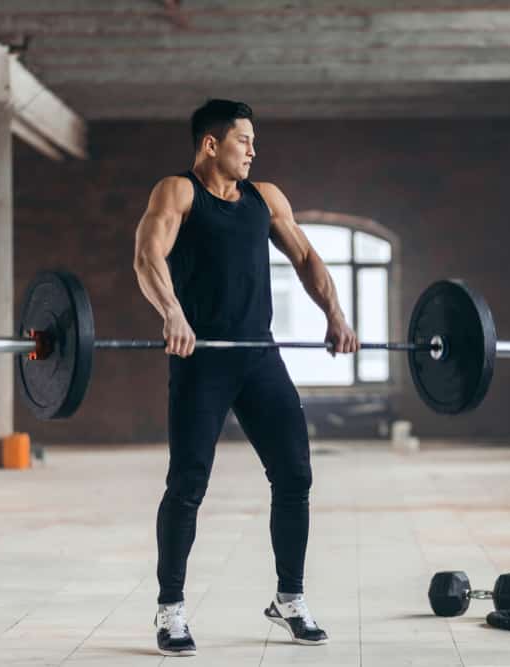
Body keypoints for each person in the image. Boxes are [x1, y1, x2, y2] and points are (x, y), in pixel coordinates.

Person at [133, 99, 358, 656]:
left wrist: (335, 315)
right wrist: (173, 314)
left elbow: (306, 258)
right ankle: (171, 610)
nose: (254, 151)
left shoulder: (266, 198)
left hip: (259, 357)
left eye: (255, 141)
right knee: (187, 484)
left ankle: (290, 598)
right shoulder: (178, 192)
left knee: (295, 474)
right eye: (243, 140)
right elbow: (147, 257)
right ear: (211, 144)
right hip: (200, 357)